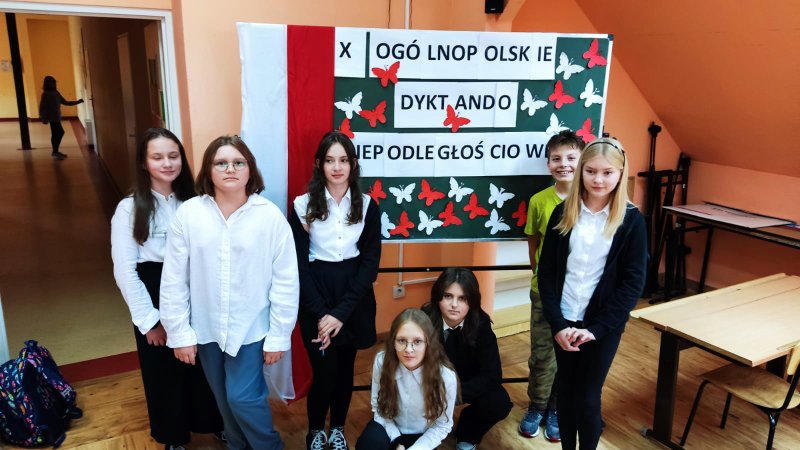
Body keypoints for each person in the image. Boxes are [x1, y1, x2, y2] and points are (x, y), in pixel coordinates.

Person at [160, 135, 299, 450]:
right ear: (208, 170)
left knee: (243, 397)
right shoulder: (189, 214)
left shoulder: (269, 217)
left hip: (251, 328)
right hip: (206, 327)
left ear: (250, 169)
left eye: (238, 162)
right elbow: (174, 279)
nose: (230, 169)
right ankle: (237, 446)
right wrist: (179, 333)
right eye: (221, 163)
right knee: (223, 399)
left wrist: (279, 335)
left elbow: (286, 281)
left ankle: (270, 447)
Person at [110, 128, 223, 450]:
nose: (167, 163)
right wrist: (150, 322)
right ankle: (173, 437)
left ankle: (215, 424)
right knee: (164, 373)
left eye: (173, 156)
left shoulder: (198, 201)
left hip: (195, 287)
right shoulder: (129, 209)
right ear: (144, 163)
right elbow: (125, 271)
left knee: (203, 366)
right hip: (153, 290)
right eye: (157, 157)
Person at [538, 137, 647, 450]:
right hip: (564, 320)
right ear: (581, 171)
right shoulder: (563, 212)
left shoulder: (631, 219)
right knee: (566, 393)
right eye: (591, 171)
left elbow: (632, 283)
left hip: (601, 326)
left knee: (587, 398)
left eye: (607, 173)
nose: (598, 180)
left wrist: (596, 330)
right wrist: (558, 324)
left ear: (620, 174)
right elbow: (546, 273)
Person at [289, 130, 381, 450]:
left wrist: (340, 314)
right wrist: (322, 314)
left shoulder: (367, 206)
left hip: (353, 296)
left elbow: (369, 265)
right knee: (325, 372)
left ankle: (338, 429)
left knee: (344, 372)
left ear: (353, 164)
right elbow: (298, 266)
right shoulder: (302, 205)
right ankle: (316, 431)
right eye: (330, 160)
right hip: (316, 294)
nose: (337, 167)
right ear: (319, 164)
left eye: (343, 160)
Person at [519, 130, 585, 441]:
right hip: (544, 292)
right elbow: (533, 241)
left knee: (569, 353)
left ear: (582, 161)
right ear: (548, 164)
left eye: (571, 157)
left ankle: (557, 407)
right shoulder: (539, 201)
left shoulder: (591, 200)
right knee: (542, 353)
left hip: (578, 294)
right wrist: (539, 276)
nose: (564, 164)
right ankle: (537, 405)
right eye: (556, 158)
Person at [421, 268, 512, 450]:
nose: (454, 304)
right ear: (438, 297)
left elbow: (492, 375)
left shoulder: (481, 323)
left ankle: (467, 433)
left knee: (498, 403)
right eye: (448, 296)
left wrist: (454, 393)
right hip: (432, 382)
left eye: (462, 298)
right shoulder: (424, 318)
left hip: (467, 382)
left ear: (472, 301)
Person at [355, 308, 458, 450]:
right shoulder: (382, 361)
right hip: (389, 427)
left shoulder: (445, 377)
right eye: (402, 341)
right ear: (393, 342)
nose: (408, 349)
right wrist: (397, 440)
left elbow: (442, 425)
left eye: (417, 341)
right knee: (368, 444)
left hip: (423, 436)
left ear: (428, 343)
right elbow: (378, 407)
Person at [38, 75, 83, 160]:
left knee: (56, 133)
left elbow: (65, 102)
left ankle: (55, 152)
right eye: (52, 82)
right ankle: (55, 152)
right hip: (52, 118)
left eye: (54, 82)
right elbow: (42, 107)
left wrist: (77, 102)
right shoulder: (45, 94)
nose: (54, 84)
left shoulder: (56, 92)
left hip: (57, 116)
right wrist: (43, 118)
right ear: (47, 84)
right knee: (59, 132)